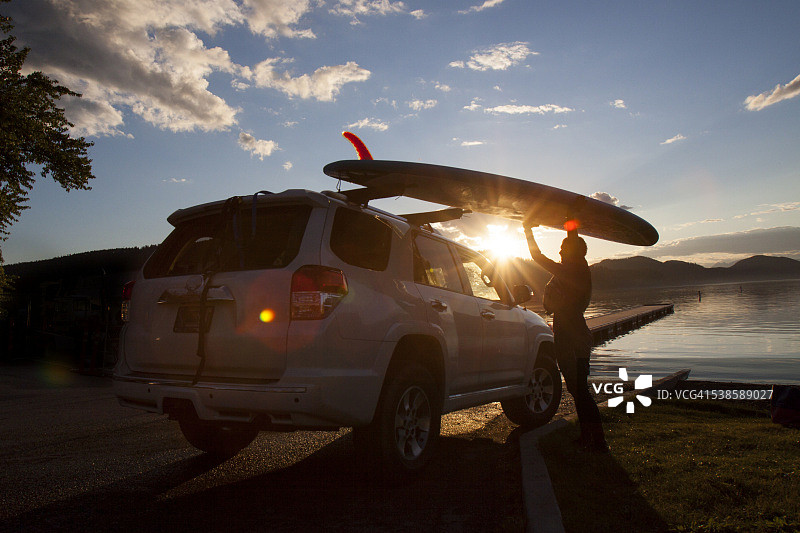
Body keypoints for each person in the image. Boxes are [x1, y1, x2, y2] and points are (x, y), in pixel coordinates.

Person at [524, 225, 608, 452]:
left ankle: (598, 442)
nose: (560, 251)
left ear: (572, 252)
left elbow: (537, 256)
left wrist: (527, 230)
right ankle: (588, 437)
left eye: (563, 248)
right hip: (570, 334)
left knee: (580, 390)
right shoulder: (576, 268)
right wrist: (570, 220)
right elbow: (573, 239)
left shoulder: (572, 270)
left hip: (573, 339)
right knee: (576, 389)